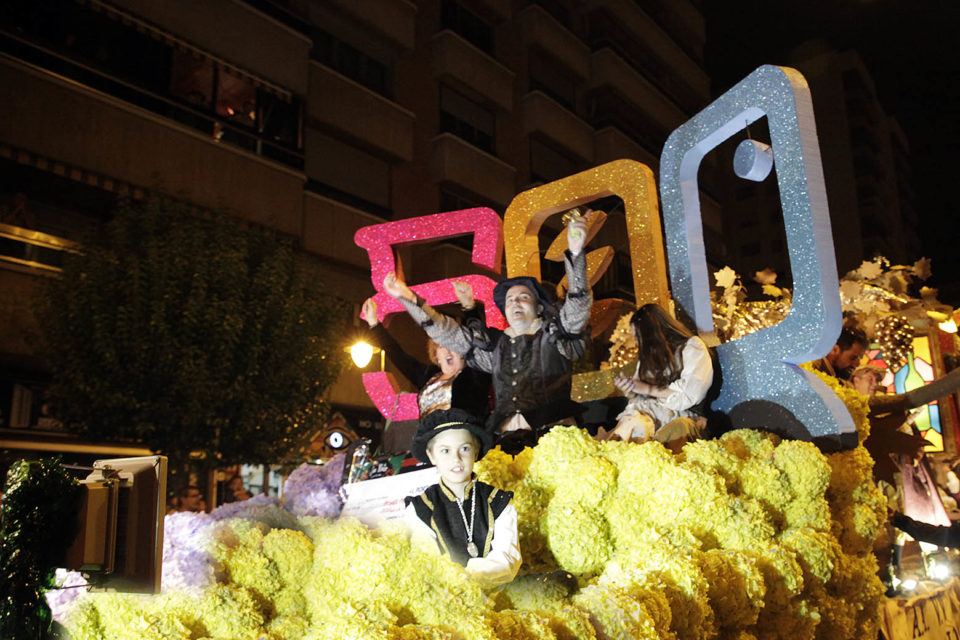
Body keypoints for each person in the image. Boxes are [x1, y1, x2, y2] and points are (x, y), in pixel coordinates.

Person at [383, 210, 592, 451]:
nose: (515, 302)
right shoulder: (496, 350)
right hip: (505, 444)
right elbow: (446, 332)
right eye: (510, 300)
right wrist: (408, 297)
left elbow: (577, 306)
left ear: (538, 308)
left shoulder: (556, 337)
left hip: (555, 441)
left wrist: (576, 253)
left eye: (523, 297)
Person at [403, 408, 520, 588]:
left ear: (476, 451)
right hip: (445, 600)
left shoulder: (499, 502)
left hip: (499, 597)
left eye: (464, 449)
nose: (456, 459)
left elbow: (507, 561)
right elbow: (428, 565)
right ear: (431, 455)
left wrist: (466, 576)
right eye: (445, 451)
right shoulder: (420, 509)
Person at [361, 290, 492, 422]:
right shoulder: (428, 375)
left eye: (453, 346)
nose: (447, 351)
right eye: (441, 346)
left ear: (463, 351)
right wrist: (374, 324)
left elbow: (479, 340)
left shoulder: (476, 374)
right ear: (436, 355)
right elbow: (398, 356)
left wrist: (469, 309)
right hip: (430, 440)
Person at [607, 303, 713, 449]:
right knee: (632, 424)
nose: (637, 342)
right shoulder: (647, 358)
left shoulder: (692, 346)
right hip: (651, 416)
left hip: (682, 417)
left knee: (678, 429)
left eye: (639, 336)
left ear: (653, 332)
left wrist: (648, 389)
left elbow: (690, 393)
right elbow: (639, 397)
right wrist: (631, 391)